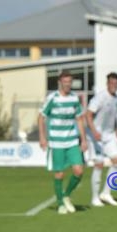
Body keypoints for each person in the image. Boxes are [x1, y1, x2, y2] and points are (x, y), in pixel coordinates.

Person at [38, 70, 88, 214]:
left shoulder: (74, 98)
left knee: (79, 170)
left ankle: (66, 196)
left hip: (72, 141)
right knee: (59, 174)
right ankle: (60, 204)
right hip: (56, 143)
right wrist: (42, 137)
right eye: (65, 82)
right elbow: (41, 117)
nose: (67, 85)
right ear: (60, 82)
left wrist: (83, 140)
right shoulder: (52, 98)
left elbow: (79, 119)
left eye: (69, 82)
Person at [86, 72, 117, 207]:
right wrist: (94, 131)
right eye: (112, 83)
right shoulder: (100, 97)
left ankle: (106, 193)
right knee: (99, 164)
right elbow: (88, 114)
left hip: (109, 135)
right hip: (95, 135)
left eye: (116, 83)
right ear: (107, 83)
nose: (114, 85)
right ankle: (95, 198)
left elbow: (114, 119)